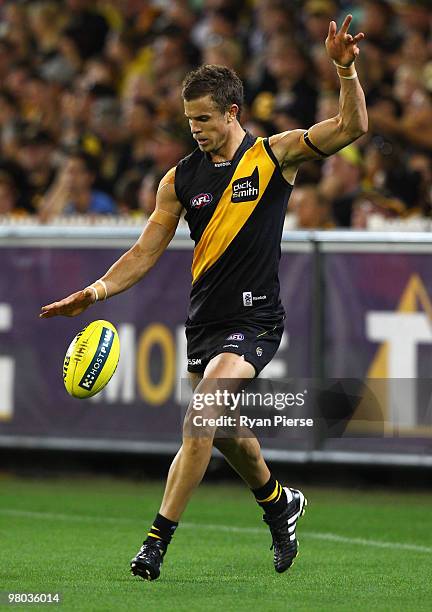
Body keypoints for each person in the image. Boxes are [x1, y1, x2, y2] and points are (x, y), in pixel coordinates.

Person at [40, 15, 367, 581]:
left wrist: (344, 67)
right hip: (204, 322)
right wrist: (94, 293)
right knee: (232, 438)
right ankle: (279, 503)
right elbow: (145, 251)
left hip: (256, 318)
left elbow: (352, 126)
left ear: (232, 113)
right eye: (189, 119)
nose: (194, 128)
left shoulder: (275, 156)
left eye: (204, 119)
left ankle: (155, 543)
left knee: (202, 414)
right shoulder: (178, 180)